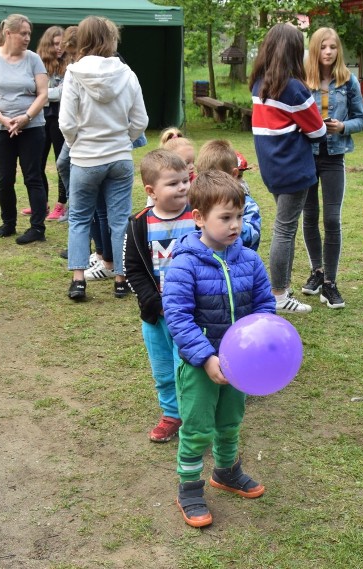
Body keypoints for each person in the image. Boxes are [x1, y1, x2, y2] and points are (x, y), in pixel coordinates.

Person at [162, 170, 276, 528]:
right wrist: (205, 357)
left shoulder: (250, 260)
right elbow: (177, 317)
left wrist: (258, 346)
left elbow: (264, 307)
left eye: (239, 216)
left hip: (238, 364)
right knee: (196, 428)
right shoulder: (184, 263)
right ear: (199, 218)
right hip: (199, 366)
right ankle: (190, 488)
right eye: (225, 218)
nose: (235, 225)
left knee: (230, 422)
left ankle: (226, 472)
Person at [60, 16, 148, 301]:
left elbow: (66, 123)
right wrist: (124, 140)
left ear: (83, 40)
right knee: (119, 220)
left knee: (79, 219)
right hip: (119, 158)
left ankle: (78, 280)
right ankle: (121, 280)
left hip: (86, 158)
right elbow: (140, 120)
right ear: (111, 40)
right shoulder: (128, 73)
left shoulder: (73, 73)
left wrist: (78, 144)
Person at [251, 23, 327, 314]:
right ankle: (279, 294)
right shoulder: (295, 89)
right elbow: (318, 131)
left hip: (271, 169)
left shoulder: (259, 84)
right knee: (285, 231)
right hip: (295, 170)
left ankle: (280, 289)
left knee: (284, 229)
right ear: (295, 51)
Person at [123, 150, 195, 441]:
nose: (182, 187)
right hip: (156, 317)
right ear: (151, 191)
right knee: (164, 370)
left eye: (185, 180)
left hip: (192, 314)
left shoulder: (198, 217)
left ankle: (193, 417)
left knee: (187, 369)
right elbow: (132, 270)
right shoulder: (139, 223)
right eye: (173, 183)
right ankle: (171, 414)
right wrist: (155, 304)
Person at [299, 27, 363, 310]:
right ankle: (317, 272)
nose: (329, 52)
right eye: (323, 47)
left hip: (334, 157)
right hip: (306, 156)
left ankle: (330, 282)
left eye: (333, 47)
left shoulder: (349, 81)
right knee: (309, 216)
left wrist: (342, 127)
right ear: (315, 50)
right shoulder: (302, 81)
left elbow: (362, 119)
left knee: (332, 220)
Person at [0, 13, 49, 245]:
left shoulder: (34, 59)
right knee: (4, 179)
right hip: (0, 129)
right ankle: (8, 223)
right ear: (8, 33)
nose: (28, 38)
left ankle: (37, 228)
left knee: (33, 177)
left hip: (32, 127)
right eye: (23, 33)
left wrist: (26, 117)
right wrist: (3, 119)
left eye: (29, 33)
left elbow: (43, 94)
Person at [195, 139, 262, 251]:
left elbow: (251, 236)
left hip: (238, 262)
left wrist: (223, 223)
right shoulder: (200, 201)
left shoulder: (247, 204)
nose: (209, 185)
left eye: (216, 180)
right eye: (204, 178)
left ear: (233, 174)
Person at [36, 26, 68, 222]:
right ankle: (40, 203)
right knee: (37, 162)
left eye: (62, 44)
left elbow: (63, 92)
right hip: (40, 117)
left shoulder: (70, 63)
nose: (59, 48)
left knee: (60, 163)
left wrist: (42, 94)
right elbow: (34, 89)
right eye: (55, 44)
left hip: (60, 118)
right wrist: (47, 94)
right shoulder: (39, 64)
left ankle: (61, 205)